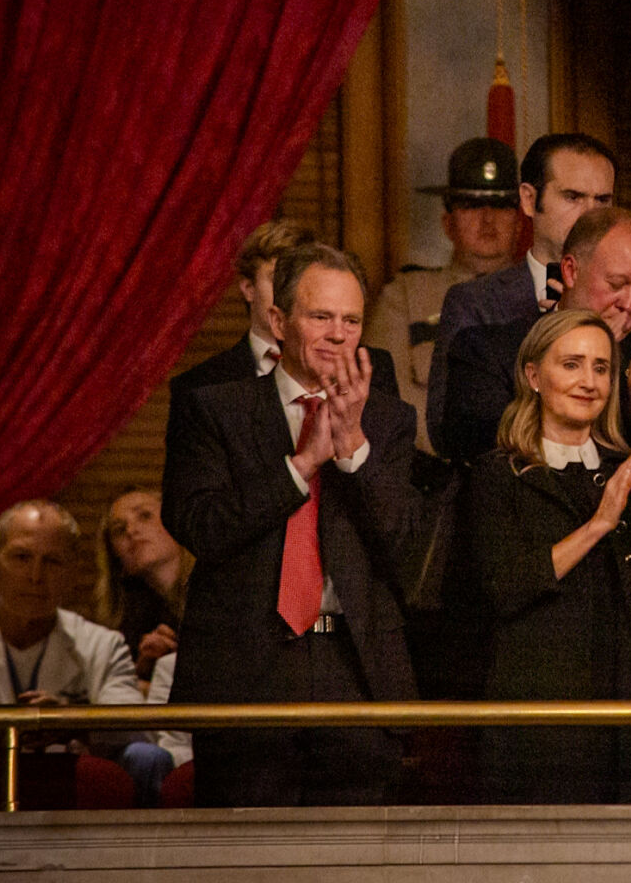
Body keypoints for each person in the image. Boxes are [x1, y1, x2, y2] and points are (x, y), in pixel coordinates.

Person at [162, 243, 422, 807]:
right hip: (246, 678)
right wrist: (300, 466)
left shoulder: (389, 420)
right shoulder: (214, 408)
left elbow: (404, 542)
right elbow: (200, 525)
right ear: (278, 321)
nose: (338, 334)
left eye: (351, 320)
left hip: (355, 674)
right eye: (320, 317)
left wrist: (353, 448)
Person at [463, 308, 631, 804]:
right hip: (542, 721)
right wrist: (598, 527)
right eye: (571, 365)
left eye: (601, 368)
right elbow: (505, 588)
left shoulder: (629, 469)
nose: (589, 381)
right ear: (533, 376)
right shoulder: (499, 475)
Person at [442, 206, 631, 505]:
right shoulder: (488, 352)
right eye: (617, 285)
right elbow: (477, 454)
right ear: (570, 271)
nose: (629, 304)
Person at [0, 500, 160, 799]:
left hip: (67, 790)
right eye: (22, 557)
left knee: (146, 758)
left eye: (52, 562)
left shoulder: (103, 645)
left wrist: (71, 720)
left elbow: (140, 731)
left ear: (72, 572)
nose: (35, 576)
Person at [427, 133, 617, 450]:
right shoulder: (475, 303)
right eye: (573, 197)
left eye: (602, 200)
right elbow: (447, 433)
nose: (590, 214)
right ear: (529, 200)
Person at [366, 137, 522, 457]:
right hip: (432, 481)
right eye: (472, 205)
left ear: (520, 221)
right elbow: (383, 405)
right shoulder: (406, 297)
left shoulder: (548, 297)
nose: (488, 219)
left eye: (502, 206)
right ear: (448, 223)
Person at [169, 220, 397, 422]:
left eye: (303, 281)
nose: (290, 291)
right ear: (249, 289)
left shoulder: (372, 368)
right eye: (278, 278)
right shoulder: (201, 386)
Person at [92, 488, 193, 693]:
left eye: (144, 516)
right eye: (119, 529)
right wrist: (143, 669)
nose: (131, 530)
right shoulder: (119, 626)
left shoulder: (219, 592)